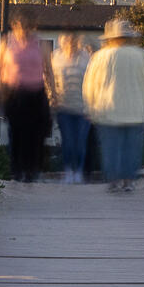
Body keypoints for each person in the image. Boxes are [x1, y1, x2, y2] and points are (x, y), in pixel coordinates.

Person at [82, 16, 144, 193]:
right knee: (132, 148)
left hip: (108, 110)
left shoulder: (100, 57)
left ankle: (114, 180)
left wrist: (89, 107)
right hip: (136, 110)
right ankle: (129, 180)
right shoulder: (141, 55)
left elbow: (90, 84)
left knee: (111, 148)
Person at [0, 10, 52, 182]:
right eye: (20, 26)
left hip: (36, 94)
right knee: (16, 132)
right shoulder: (6, 44)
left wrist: (54, 92)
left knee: (35, 134)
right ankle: (17, 170)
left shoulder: (41, 44)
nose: (24, 30)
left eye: (27, 27)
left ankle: (32, 171)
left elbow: (49, 70)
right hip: (14, 94)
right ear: (14, 26)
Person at [49, 30, 93, 184]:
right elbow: (50, 79)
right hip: (64, 107)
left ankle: (78, 171)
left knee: (80, 142)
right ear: (62, 42)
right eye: (66, 41)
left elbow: (93, 81)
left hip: (84, 107)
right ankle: (68, 171)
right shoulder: (55, 58)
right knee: (68, 141)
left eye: (72, 41)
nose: (70, 44)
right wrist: (52, 98)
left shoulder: (86, 58)